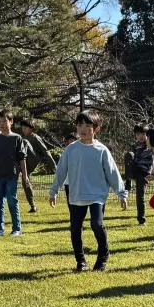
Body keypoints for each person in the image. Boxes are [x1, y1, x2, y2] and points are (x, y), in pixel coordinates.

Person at [49, 111, 127, 272]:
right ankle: (81, 261)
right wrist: (53, 191)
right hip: (77, 194)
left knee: (96, 224)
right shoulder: (71, 149)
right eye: (79, 125)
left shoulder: (101, 150)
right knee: (75, 227)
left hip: (97, 195)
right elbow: (61, 171)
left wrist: (121, 193)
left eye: (87, 125)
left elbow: (112, 173)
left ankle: (102, 257)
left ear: (96, 129)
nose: (82, 129)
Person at [0, 110, 30, 237]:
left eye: (4, 121)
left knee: (12, 201)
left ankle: (17, 229)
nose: (1, 124)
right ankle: (0, 229)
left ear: (11, 122)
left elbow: (22, 158)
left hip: (12, 175)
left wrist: (25, 175)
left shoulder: (17, 138)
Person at [18, 119, 57, 214]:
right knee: (25, 182)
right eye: (22, 128)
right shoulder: (22, 138)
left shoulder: (35, 137)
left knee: (24, 142)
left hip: (34, 159)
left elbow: (46, 152)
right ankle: (33, 206)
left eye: (25, 128)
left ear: (31, 128)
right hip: (25, 162)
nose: (23, 130)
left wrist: (54, 167)